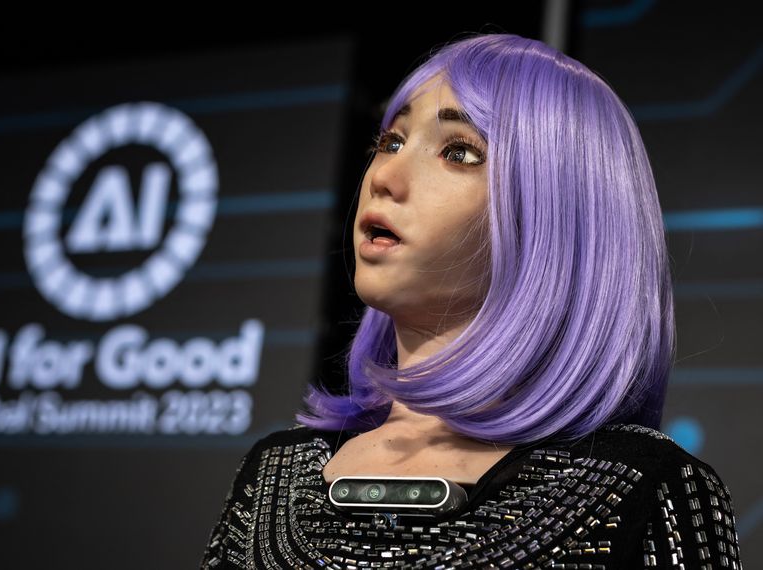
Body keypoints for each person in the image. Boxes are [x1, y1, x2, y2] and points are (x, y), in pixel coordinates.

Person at [200, 32, 744, 569]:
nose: (384, 177)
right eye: (389, 141)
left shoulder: (643, 491)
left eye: (458, 152)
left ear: (553, 221)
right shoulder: (272, 479)